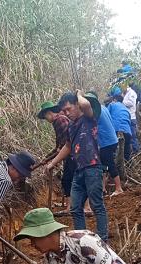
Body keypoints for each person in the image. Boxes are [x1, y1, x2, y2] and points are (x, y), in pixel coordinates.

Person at [46, 91, 108, 242]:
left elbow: (86, 104)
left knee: (96, 204)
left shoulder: (89, 117)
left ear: (77, 105)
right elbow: (67, 147)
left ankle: (103, 240)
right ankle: (83, 239)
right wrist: (52, 163)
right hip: (79, 170)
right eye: (64, 111)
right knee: (75, 208)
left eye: (69, 109)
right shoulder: (71, 126)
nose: (67, 113)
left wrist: (79, 94)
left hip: (93, 167)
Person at [37, 101, 75, 216]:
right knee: (69, 179)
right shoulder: (59, 121)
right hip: (70, 154)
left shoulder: (60, 120)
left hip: (72, 154)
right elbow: (59, 146)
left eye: (45, 116)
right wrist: (47, 158)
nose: (46, 119)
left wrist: (53, 160)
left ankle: (70, 207)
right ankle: (72, 206)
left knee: (68, 179)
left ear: (49, 113)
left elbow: (65, 144)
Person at [86, 91, 123, 197]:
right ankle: (102, 188)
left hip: (106, 141)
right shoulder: (103, 108)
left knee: (109, 164)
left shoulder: (95, 112)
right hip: (112, 140)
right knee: (104, 165)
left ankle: (118, 188)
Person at [107, 95, 132, 164]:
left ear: (114, 100)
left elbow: (106, 115)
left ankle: (113, 169)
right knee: (126, 151)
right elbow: (129, 120)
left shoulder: (112, 105)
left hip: (116, 130)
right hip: (127, 131)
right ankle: (128, 166)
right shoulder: (126, 109)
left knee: (113, 151)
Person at [123, 83, 140, 154]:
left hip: (131, 117)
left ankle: (136, 150)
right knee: (129, 135)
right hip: (127, 117)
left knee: (133, 135)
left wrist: (122, 102)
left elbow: (131, 103)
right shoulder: (126, 93)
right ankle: (132, 150)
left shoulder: (132, 93)